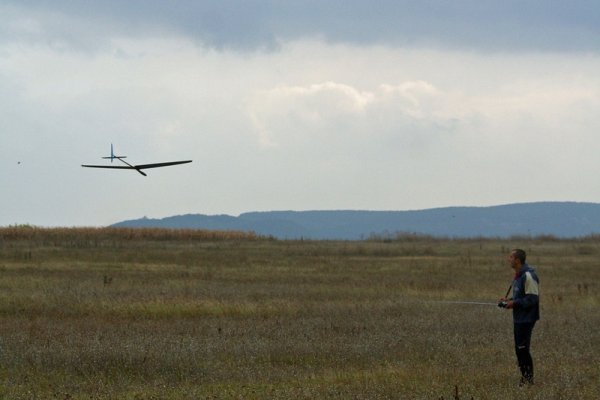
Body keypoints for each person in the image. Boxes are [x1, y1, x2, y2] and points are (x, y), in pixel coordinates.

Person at [500, 248, 540, 386]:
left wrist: (514, 303)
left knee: (523, 349)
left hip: (527, 318)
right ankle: (525, 378)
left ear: (517, 260)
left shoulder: (528, 275)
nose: (508, 259)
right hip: (519, 317)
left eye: (511, 257)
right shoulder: (518, 275)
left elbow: (532, 299)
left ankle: (528, 381)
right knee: (519, 349)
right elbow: (520, 297)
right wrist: (508, 301)